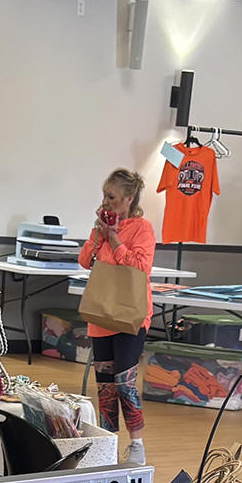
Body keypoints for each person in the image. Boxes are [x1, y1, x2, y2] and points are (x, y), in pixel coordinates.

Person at [76, 168, 155, 467]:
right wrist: (99, 234)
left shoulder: (142, 228)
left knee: (125, 383)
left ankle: (137, 444)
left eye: (112, 197)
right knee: (106, 387)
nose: (106, 202)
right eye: (104, 196)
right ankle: (108, 443)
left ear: (129, 198)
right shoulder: (102, 227)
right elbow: (85, 261)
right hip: (102, 315)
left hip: (130, 315)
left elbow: (139, 267)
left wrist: (115, 239)